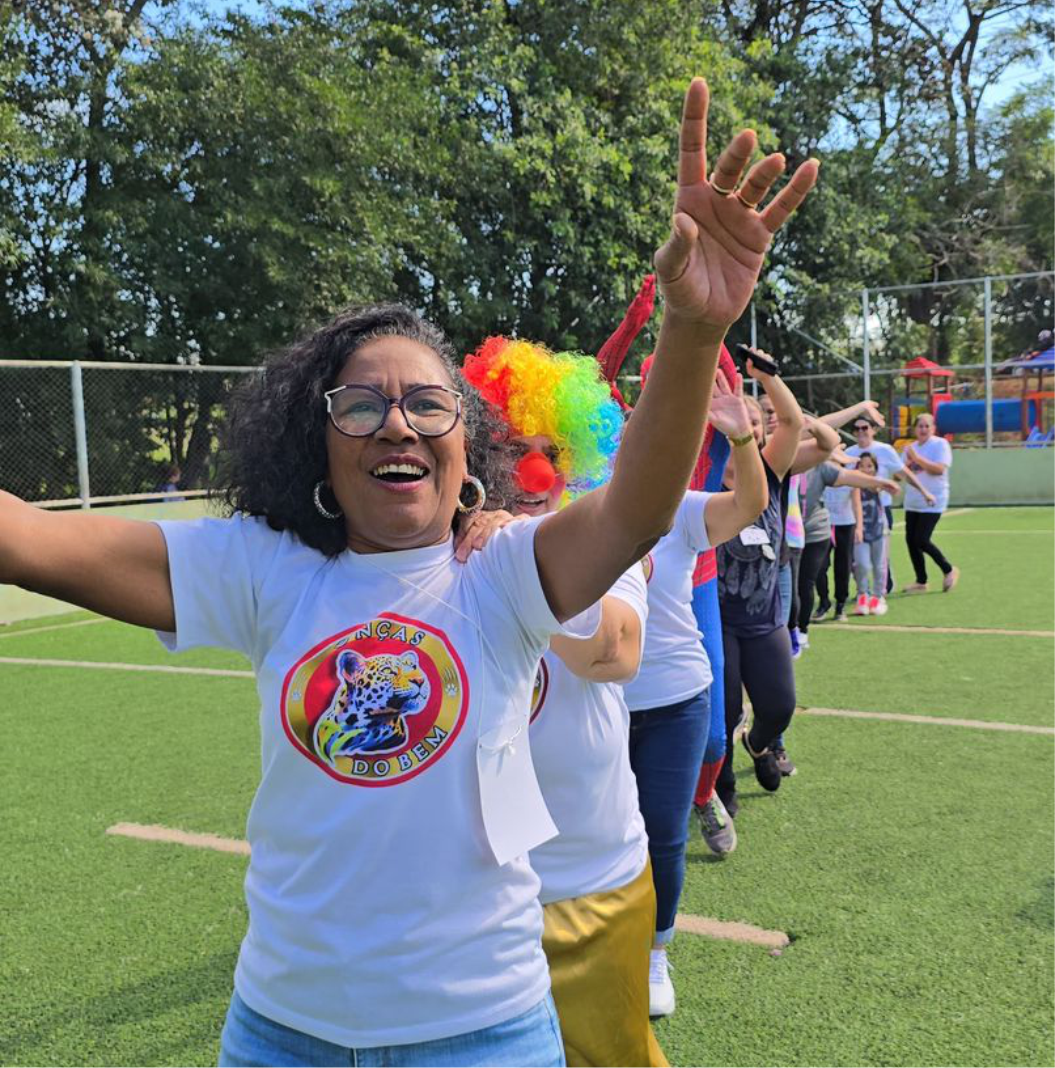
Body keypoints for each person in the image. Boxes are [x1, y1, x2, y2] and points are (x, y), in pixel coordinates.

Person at [0, 78, 819, 1067]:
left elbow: (638, 510)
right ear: (320, 443)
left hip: (485, 1034)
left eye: (426, 406)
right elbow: (31, 540)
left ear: (466, 450)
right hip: (279, 1034)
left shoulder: (505, 571)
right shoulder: (264, 572)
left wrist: (691, 332)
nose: (395, 421)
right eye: (360, 406)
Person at [460, 335, 664, 1067]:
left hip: (588, 883)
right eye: (513, 449)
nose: (535, 470)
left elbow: (615, 654)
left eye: (548, 448)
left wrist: (523, 549)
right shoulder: (437, 553)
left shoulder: (602, 540)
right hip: (470, 891)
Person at [622, 366, 769, 1018]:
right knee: (583, 832)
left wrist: (741, 440)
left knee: (659, 833)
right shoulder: (576, 507)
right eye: (631, 431)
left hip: (675, 698)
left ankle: (655, 953)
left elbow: (748, 506)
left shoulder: (679, 510)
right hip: (592, 702)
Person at [828, 407, 934, 599]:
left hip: (880, 509)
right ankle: (863, 590)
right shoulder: (849, 453)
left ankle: (881, 588)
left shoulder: (884, 450)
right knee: (855, 555)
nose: (861, 432)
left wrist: (924, 491)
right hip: (855, 511)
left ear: (873, 429)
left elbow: (904, 474)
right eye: (857, 429)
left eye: (865, 428)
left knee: (878, 555)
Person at [901, 412, 959, 593]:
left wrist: (916, 459)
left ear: (933, 429)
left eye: (927, 426)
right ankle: (921, 581)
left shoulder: (940, 445)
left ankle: (948, 569)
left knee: (922, 539)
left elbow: (939, 470)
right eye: (920, 426)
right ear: (914, 429)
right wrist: (905, 466)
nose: (923, 429)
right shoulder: (909, 448)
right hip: (913, 501)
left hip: (934, 499)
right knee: (911, 541)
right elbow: (901, 474)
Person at [850, 452, 890, 614]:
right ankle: (862, 595)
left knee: (879, 566)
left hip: (879, 529)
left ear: (875, 469)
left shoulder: (876, 485)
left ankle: (878, 597)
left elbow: (877, 486)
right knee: (861, 564)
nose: (866, 469)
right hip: (860, 531)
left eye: (869, 466)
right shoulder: (853, 485)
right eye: (862, 466)